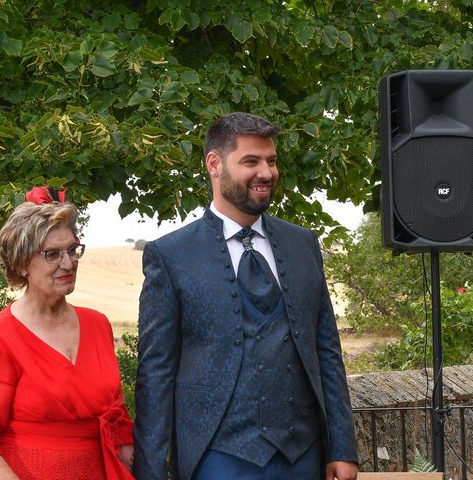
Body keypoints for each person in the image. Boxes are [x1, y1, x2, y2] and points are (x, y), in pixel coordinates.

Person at [133, 112, 358, 480]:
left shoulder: (303, 245)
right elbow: (155, 374)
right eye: (250, 161)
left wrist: (342, 448)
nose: (266, 173)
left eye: (271, 161)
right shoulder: (171, 255)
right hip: (217, 458)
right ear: (214, 165)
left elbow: (327, 351)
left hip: (303, 455)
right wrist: (152, 473)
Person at [0, 187, 134, 480]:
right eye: (52, 254)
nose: (68, 263)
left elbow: (117, 421)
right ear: (22, 264)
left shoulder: (98, 325)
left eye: (73, 250)